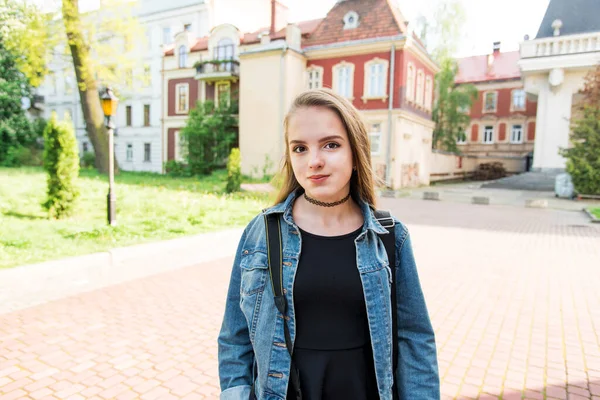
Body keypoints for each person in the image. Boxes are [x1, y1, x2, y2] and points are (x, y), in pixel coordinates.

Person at [218, 88, 439, 400]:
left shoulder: (390, 237)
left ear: (355, 154)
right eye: (300, 149)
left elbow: (414, 338)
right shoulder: (263, 232)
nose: (314, 161)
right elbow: (234, 335)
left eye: (331, 145)